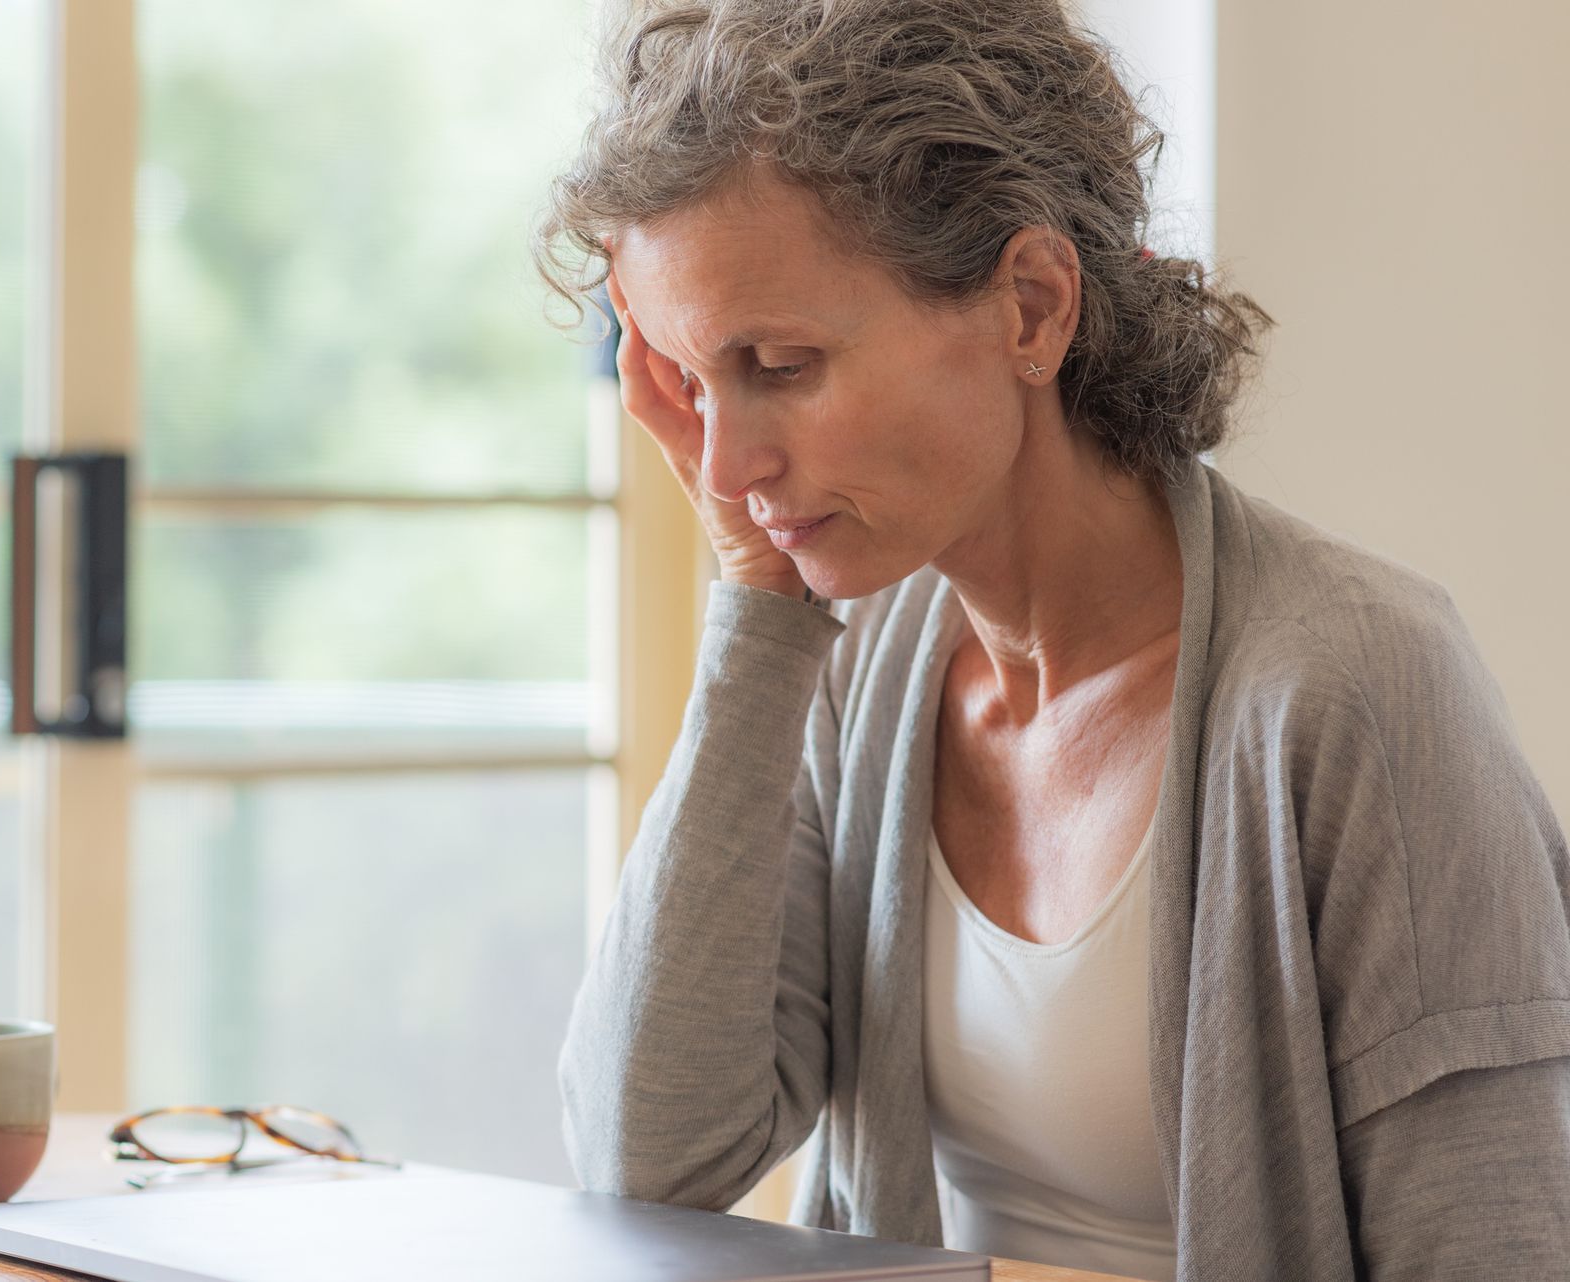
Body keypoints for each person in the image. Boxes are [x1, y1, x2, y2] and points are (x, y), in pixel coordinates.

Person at [529, 2, 1570, 1280]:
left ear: (1030, 307)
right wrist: (758, 600)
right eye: (694, 384)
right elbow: (647, 1155)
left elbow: (1494, 1245)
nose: (730, 465)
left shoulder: (1356, 685)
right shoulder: (853, 673)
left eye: (784, 365)